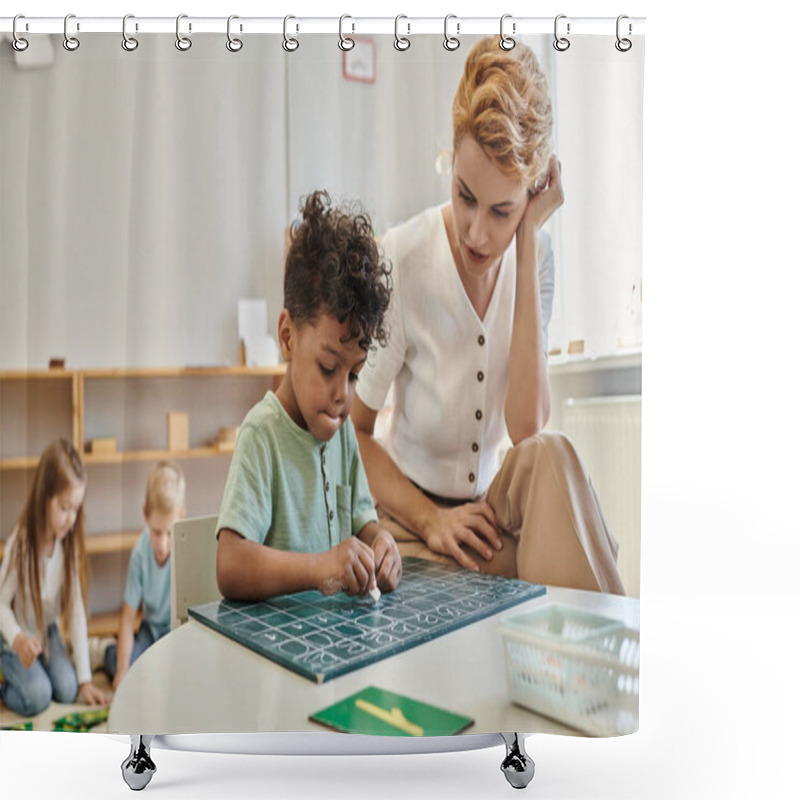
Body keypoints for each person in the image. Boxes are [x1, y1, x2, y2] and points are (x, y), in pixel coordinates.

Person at [351, 37, 624, 595]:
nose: (477, 231)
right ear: (451, 162)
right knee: (583, 538)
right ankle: (620, 666)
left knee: (552, 454)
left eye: (503, 209)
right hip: (411, 533)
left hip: (485, 524)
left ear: (533, 194)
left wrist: (524, 244)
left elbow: (526, 427)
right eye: (464, 194)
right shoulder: (403, 258)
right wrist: (433, 520)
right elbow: (353, 432)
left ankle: (608, 668)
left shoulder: (538, 258)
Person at [215, 190, 402, 601]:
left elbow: (361, 520)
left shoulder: (344, 433)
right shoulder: (262, 434)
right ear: (287, 337)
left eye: (354, 374)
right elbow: (230, 565)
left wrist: (380, 541)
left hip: (335, 650)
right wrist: (320, 567)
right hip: (279, 654)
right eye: (327, 367)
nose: (342, 394)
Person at [0, 439, 107, 717]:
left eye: (76, 509)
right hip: (17, 636)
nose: (71, 519)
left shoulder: (67, 543)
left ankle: (46, 672)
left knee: (69, 689)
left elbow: (76, 611)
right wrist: (18, 639)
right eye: (63, 508)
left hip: (47, 634)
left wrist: (85, 679)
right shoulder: (21, 543)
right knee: (39, 696)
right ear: (44, 496)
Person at [102, 461, 186, 690]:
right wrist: (121, 671)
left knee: (177, 674)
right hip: (149, 630)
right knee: (130, 671)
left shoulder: (186, 547)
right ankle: (108, 652)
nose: (162, 544)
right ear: (145, 514)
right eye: (156, 532)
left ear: (181, 516)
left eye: (169, 533)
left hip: (176, 632)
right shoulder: (140, 553)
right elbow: (128, 618)